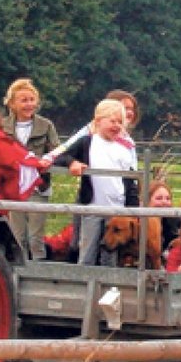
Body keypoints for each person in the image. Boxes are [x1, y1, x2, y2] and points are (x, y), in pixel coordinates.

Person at [53, 99, 138, 266]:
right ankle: (83, 286)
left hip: (116, 210)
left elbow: (129, 182)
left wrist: (133, 209)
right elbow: (61, 156)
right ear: (98, 121)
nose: (116, 126)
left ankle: (108, 287)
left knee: (110, 253)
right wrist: (72, 163)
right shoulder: (88, 142)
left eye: (120, 122)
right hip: (92, 206)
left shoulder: (124, 148)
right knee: (87, 250)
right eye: (112, 121)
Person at [1, 79, 59, 261]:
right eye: (23, 100)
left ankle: (39, 271)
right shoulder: (3, 126)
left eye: (32, 99)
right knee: (17, 236)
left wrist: (46, 160)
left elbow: (56, 149)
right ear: (12, 103)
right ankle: (18, 273)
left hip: (38, 186)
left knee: (36, 237)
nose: (29, 104)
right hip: (12, 188)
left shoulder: (46, 125)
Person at [148, 181, 181, 255]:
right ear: (147, 201)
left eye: (168, 199)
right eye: (159, 198)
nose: (164, 202)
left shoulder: (177, 222)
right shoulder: (139, 223)